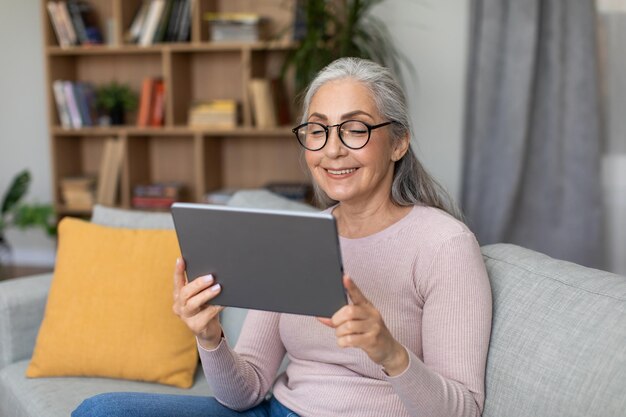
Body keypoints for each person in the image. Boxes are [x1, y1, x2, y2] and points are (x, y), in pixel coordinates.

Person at [73, 57, 492, 417]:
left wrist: (389, 352)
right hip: (277, 409)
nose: (332, 150)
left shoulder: (444, 245)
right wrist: (209, 336)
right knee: (99, 411)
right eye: (318, 130)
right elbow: (246, 390)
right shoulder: (297, 237)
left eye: (355, 129)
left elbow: (465, 409)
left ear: (398, 142)